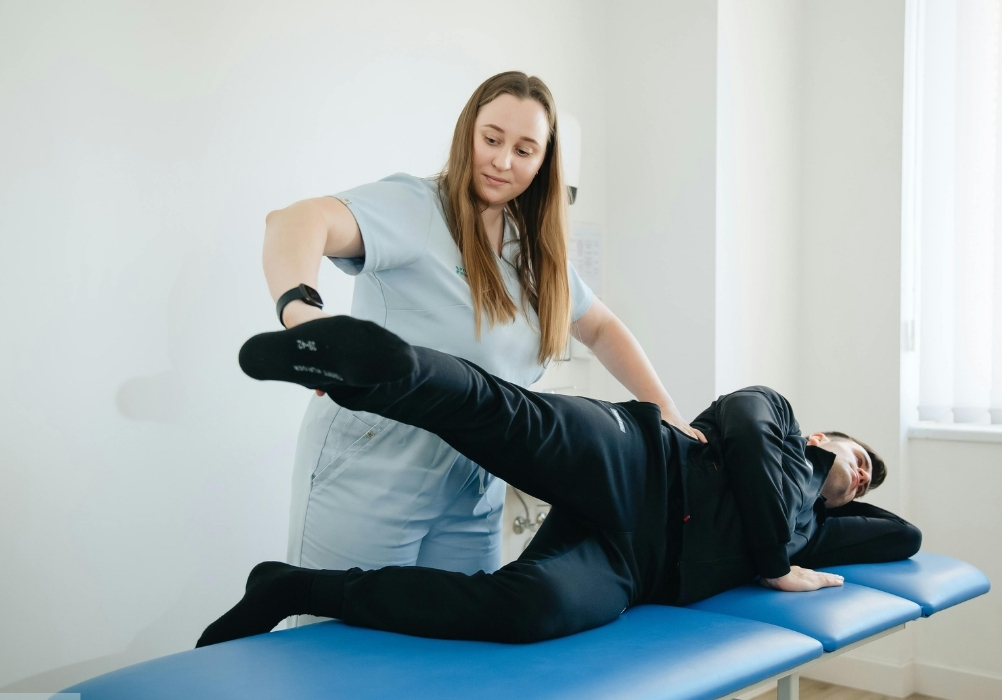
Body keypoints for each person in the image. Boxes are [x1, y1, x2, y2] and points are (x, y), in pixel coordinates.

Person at [196, 316, 921, 647]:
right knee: (504, 416)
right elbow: (751, 441)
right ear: (824, 436)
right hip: (641, 460)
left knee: (527, 613)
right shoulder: (779, 419)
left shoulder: (810, 532)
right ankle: (379, 372)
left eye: (866, 482)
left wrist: (817, 523)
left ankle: (292, 587)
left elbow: (901, 537)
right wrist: (776, 559)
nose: (861, 477)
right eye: (859, 458)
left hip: (635, 569)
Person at [264, 71, 702, 585]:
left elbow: (601, 327)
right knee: (340, 650)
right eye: (491, 139)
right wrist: (303, 314)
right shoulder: (418, 208)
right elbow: (293, 221)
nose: (502, 161)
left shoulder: (531, 252)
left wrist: (667, 416)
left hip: (473, 486)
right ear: (467, 131)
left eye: (524, 149)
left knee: (457, 654)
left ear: (543, 162)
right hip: (374, 469)